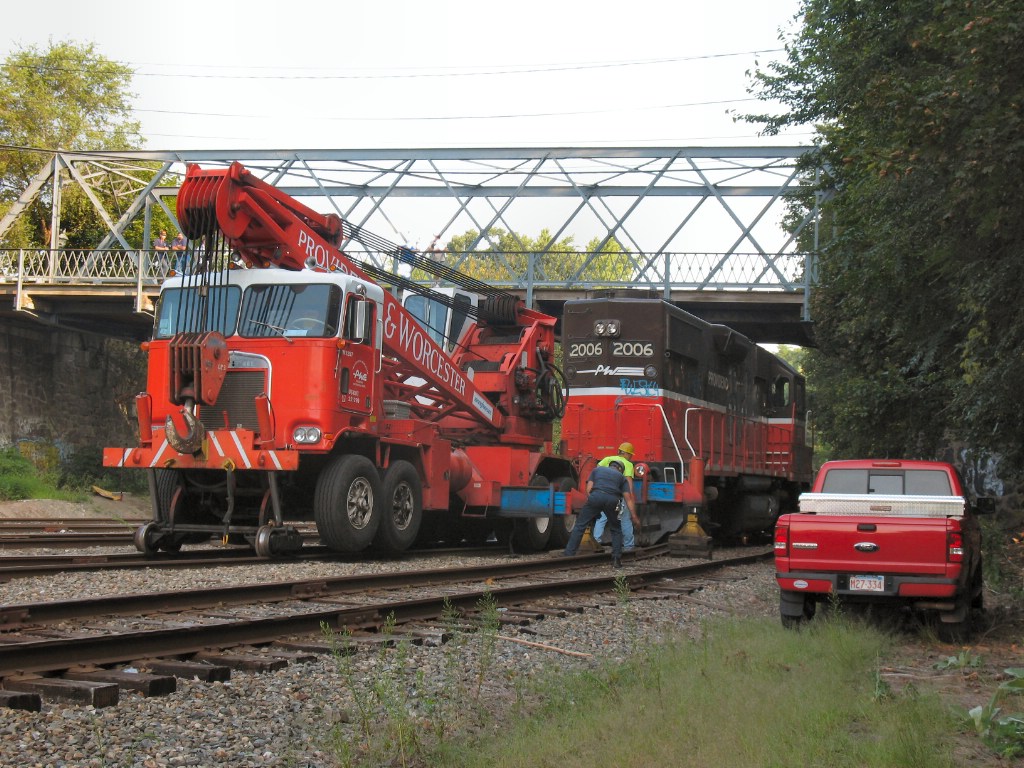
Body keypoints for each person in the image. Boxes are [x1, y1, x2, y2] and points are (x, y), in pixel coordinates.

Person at [563, 459, 636, 568]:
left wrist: (594, 505)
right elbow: (628, 499)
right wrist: (634, 516)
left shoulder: (597, 470)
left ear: (610, 466)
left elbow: (589, 489)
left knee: (580, 525)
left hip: (596, 496)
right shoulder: (622, 477)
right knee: (616, 529)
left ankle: (569, 555)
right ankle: (616, 559)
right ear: (620, 469)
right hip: (613, 500)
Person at [592, 442, 641, 551]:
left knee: (602, 518)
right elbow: (628, 486)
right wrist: (632, 501)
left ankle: (595, 542)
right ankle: (628, 546)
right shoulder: (628, 464)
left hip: (604, 493)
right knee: (625, 520)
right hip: (619, 496)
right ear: (627, 454)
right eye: (631, 455)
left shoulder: (607, 459)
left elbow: (596, 472)